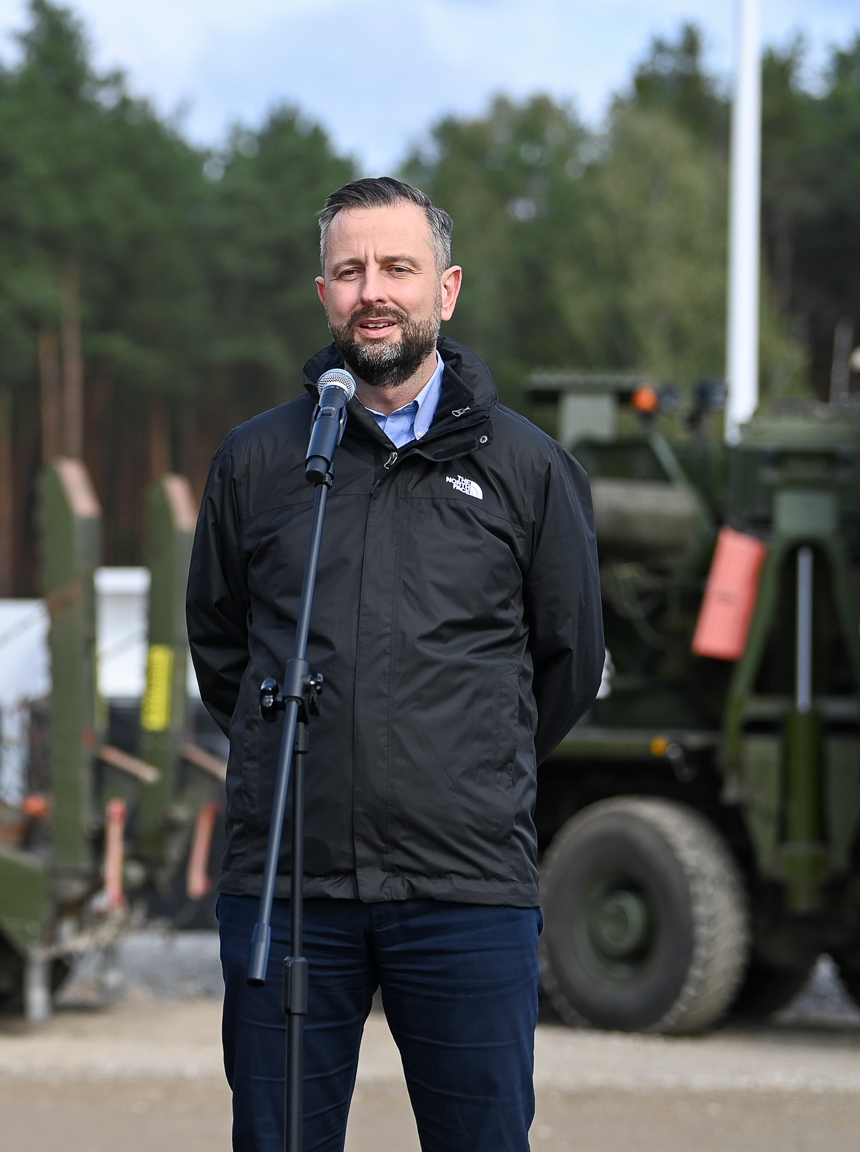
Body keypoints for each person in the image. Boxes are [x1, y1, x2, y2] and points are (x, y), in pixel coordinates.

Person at [186, 178, 604, 1151]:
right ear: (323, 293)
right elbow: (223, 649)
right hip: (290, 886)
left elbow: (567, 663)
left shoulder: (526, 467)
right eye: (349, 270)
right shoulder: (257, 462)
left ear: (444, 291)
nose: (372, 290)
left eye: (396, 268)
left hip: (465, 892)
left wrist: (463, 767)